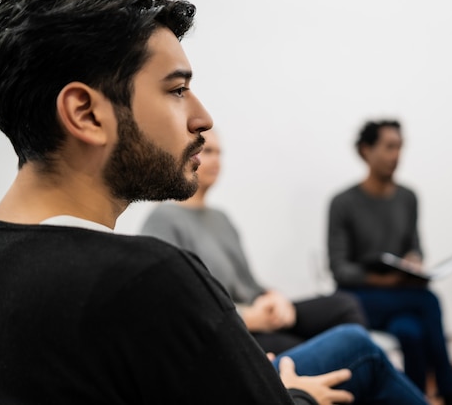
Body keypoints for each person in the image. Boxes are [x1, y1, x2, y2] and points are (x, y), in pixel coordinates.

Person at [0, 0, 429, 404]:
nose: (202, 117)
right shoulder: (150, 275)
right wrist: (296, 396)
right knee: (356, 348)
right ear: (86, 114)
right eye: (177, 90)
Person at [141, 128, 368, 354]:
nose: (216, 160)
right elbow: (173, 304)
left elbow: (249, 284)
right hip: (226, 327)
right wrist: (246, 318)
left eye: (220, 153)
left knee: (344, 305)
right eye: (207, 151)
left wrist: (274, 297)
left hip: (257, 314)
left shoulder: (222, 219)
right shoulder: (164, 218)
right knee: (302, 349)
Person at [327, 119, 452, 405]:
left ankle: (415, 399)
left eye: (400, 147)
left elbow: (415, 246)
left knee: (412, 332)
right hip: (360, 298)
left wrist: (414, 260)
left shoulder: (408, 197)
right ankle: (451, 392)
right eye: (389, 147)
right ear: (365, 151)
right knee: (428, 301)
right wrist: (381, 280)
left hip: (400, 297)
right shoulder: (343, 203)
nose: (396, 155)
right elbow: (339, 269)